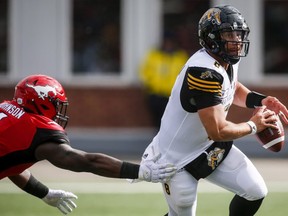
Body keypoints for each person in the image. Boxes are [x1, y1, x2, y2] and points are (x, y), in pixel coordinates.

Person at [139, 5, 288, 216]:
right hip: (178, 159)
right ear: (211, 38)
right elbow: (217, 130)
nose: (236, 40)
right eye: (229, 34)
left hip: (209, 147)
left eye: (238, 33)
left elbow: (231, 87)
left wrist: (260, 100)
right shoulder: (202, 72)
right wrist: (254, 125)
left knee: (255, 191)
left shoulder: (225, 58)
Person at [0, 74, 177, 214]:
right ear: (41, 102)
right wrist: (140, 171)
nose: (58, 110)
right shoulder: (34, 129)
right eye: (56, 104)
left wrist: (43, 192)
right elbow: (85, 161)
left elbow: (13, 163)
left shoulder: (6, 109)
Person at [139, 32, 188, 128]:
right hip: (155, 94)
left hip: (173, 96)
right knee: (157, 121)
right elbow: (144, 71)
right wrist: (149, 85)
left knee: (171, 123)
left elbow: (185, 74)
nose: (168, 45)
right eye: (166, 42)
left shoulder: (180, 56)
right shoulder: (154, 55)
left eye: (170, 42)